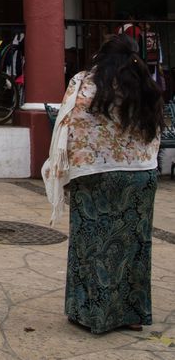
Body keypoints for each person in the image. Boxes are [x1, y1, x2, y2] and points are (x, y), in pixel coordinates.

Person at [43, 34, 163, 334]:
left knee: (91, 244)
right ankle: (132, 314)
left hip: (94, 174)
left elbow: (68, 123)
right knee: (135, 245)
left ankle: (91, 314)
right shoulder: (143, 82)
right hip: (140, 174)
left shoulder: (84, 81)